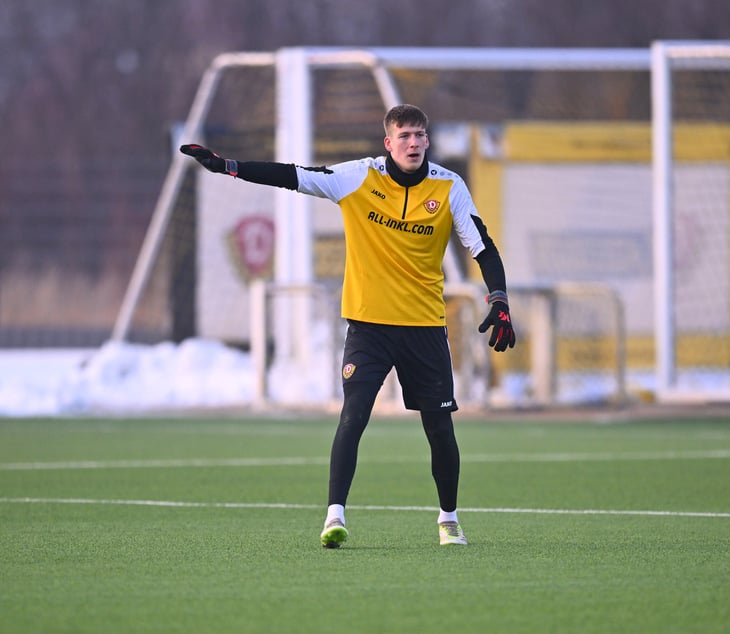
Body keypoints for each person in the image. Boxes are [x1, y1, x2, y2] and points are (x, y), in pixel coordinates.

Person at [181, 104, 516, 548]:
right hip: (369, 326)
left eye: (420, 135)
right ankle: (333, 516)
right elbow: (294, 175)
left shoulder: (449, 187)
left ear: (427, 140)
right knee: (353, 416)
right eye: (405, 136)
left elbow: (484, 249)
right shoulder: (358, 177)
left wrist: (499, 298)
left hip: (423, 326)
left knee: (439, 428)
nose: (413, 143)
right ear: (388, 142)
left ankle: (449, 518)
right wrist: (230, 167)